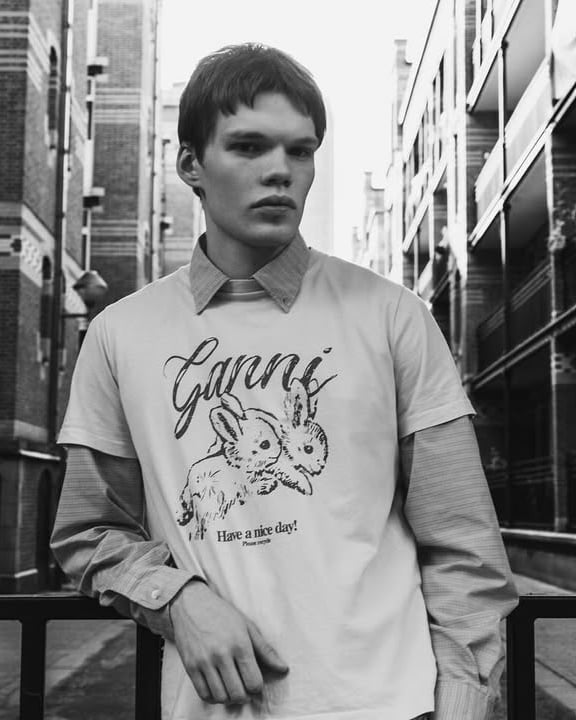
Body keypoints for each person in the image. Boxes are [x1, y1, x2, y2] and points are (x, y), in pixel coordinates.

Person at [51, 43, 518, 720]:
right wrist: (176, 599)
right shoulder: (121, 334)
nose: (280, 171)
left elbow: (463, 544)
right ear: (190, 164)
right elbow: (90, 531)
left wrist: (462, 703)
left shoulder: (393, 315)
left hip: (393, 706)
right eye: (248, 146)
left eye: (301, 151)